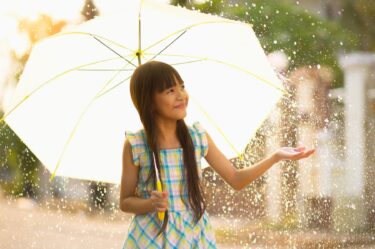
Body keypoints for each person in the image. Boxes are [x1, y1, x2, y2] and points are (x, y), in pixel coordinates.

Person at [119, 61, 315, 248]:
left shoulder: (196, 137)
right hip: (151, 236)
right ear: (149, 100)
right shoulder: (136, 144)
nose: (181, 95)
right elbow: (126, 202)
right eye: (170, 90)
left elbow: (236, 179)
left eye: (182, 87)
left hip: (193, 233)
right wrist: (150, 203)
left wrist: (276, 157)